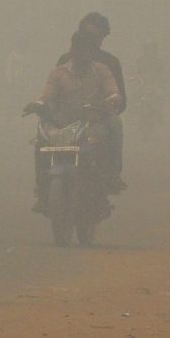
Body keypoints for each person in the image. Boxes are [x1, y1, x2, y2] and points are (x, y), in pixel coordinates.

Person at [33, 30, 123, 211]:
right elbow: (47, 95)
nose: (83, 54)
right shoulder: (58, 73)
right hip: (63, 125)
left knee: (113, 128)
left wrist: (113, 98)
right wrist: (39, 104)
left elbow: (113, 90)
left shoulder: (102, 71)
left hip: (93, 123)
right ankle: (42, 189)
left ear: (92, 51)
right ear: (72, 49)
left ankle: (110, 177)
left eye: (87, 49)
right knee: (40, 142)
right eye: (79, 49)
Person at [57, 12, 127, 191]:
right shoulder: (64, 61)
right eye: (88, 36)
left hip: (98, 117)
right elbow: (52, 92)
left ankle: (113, 174)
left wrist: (110, 105)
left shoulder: (109, 63)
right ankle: (43, 182)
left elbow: (120, 98)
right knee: (43, 139)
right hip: (68, 118)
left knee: (115, 125)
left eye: (97, 36)